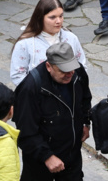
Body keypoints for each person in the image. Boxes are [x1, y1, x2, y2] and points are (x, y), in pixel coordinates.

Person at [14, 42, 92, 180]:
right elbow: (26, 132)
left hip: (71, 157)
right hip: (40, 164)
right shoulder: (30, 88)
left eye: (71, 69)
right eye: (63, 71)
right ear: (49, 66)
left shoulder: (78, 73)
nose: (69, 74)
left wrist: (85, 122)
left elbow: (85, 98)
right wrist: (47, 156)